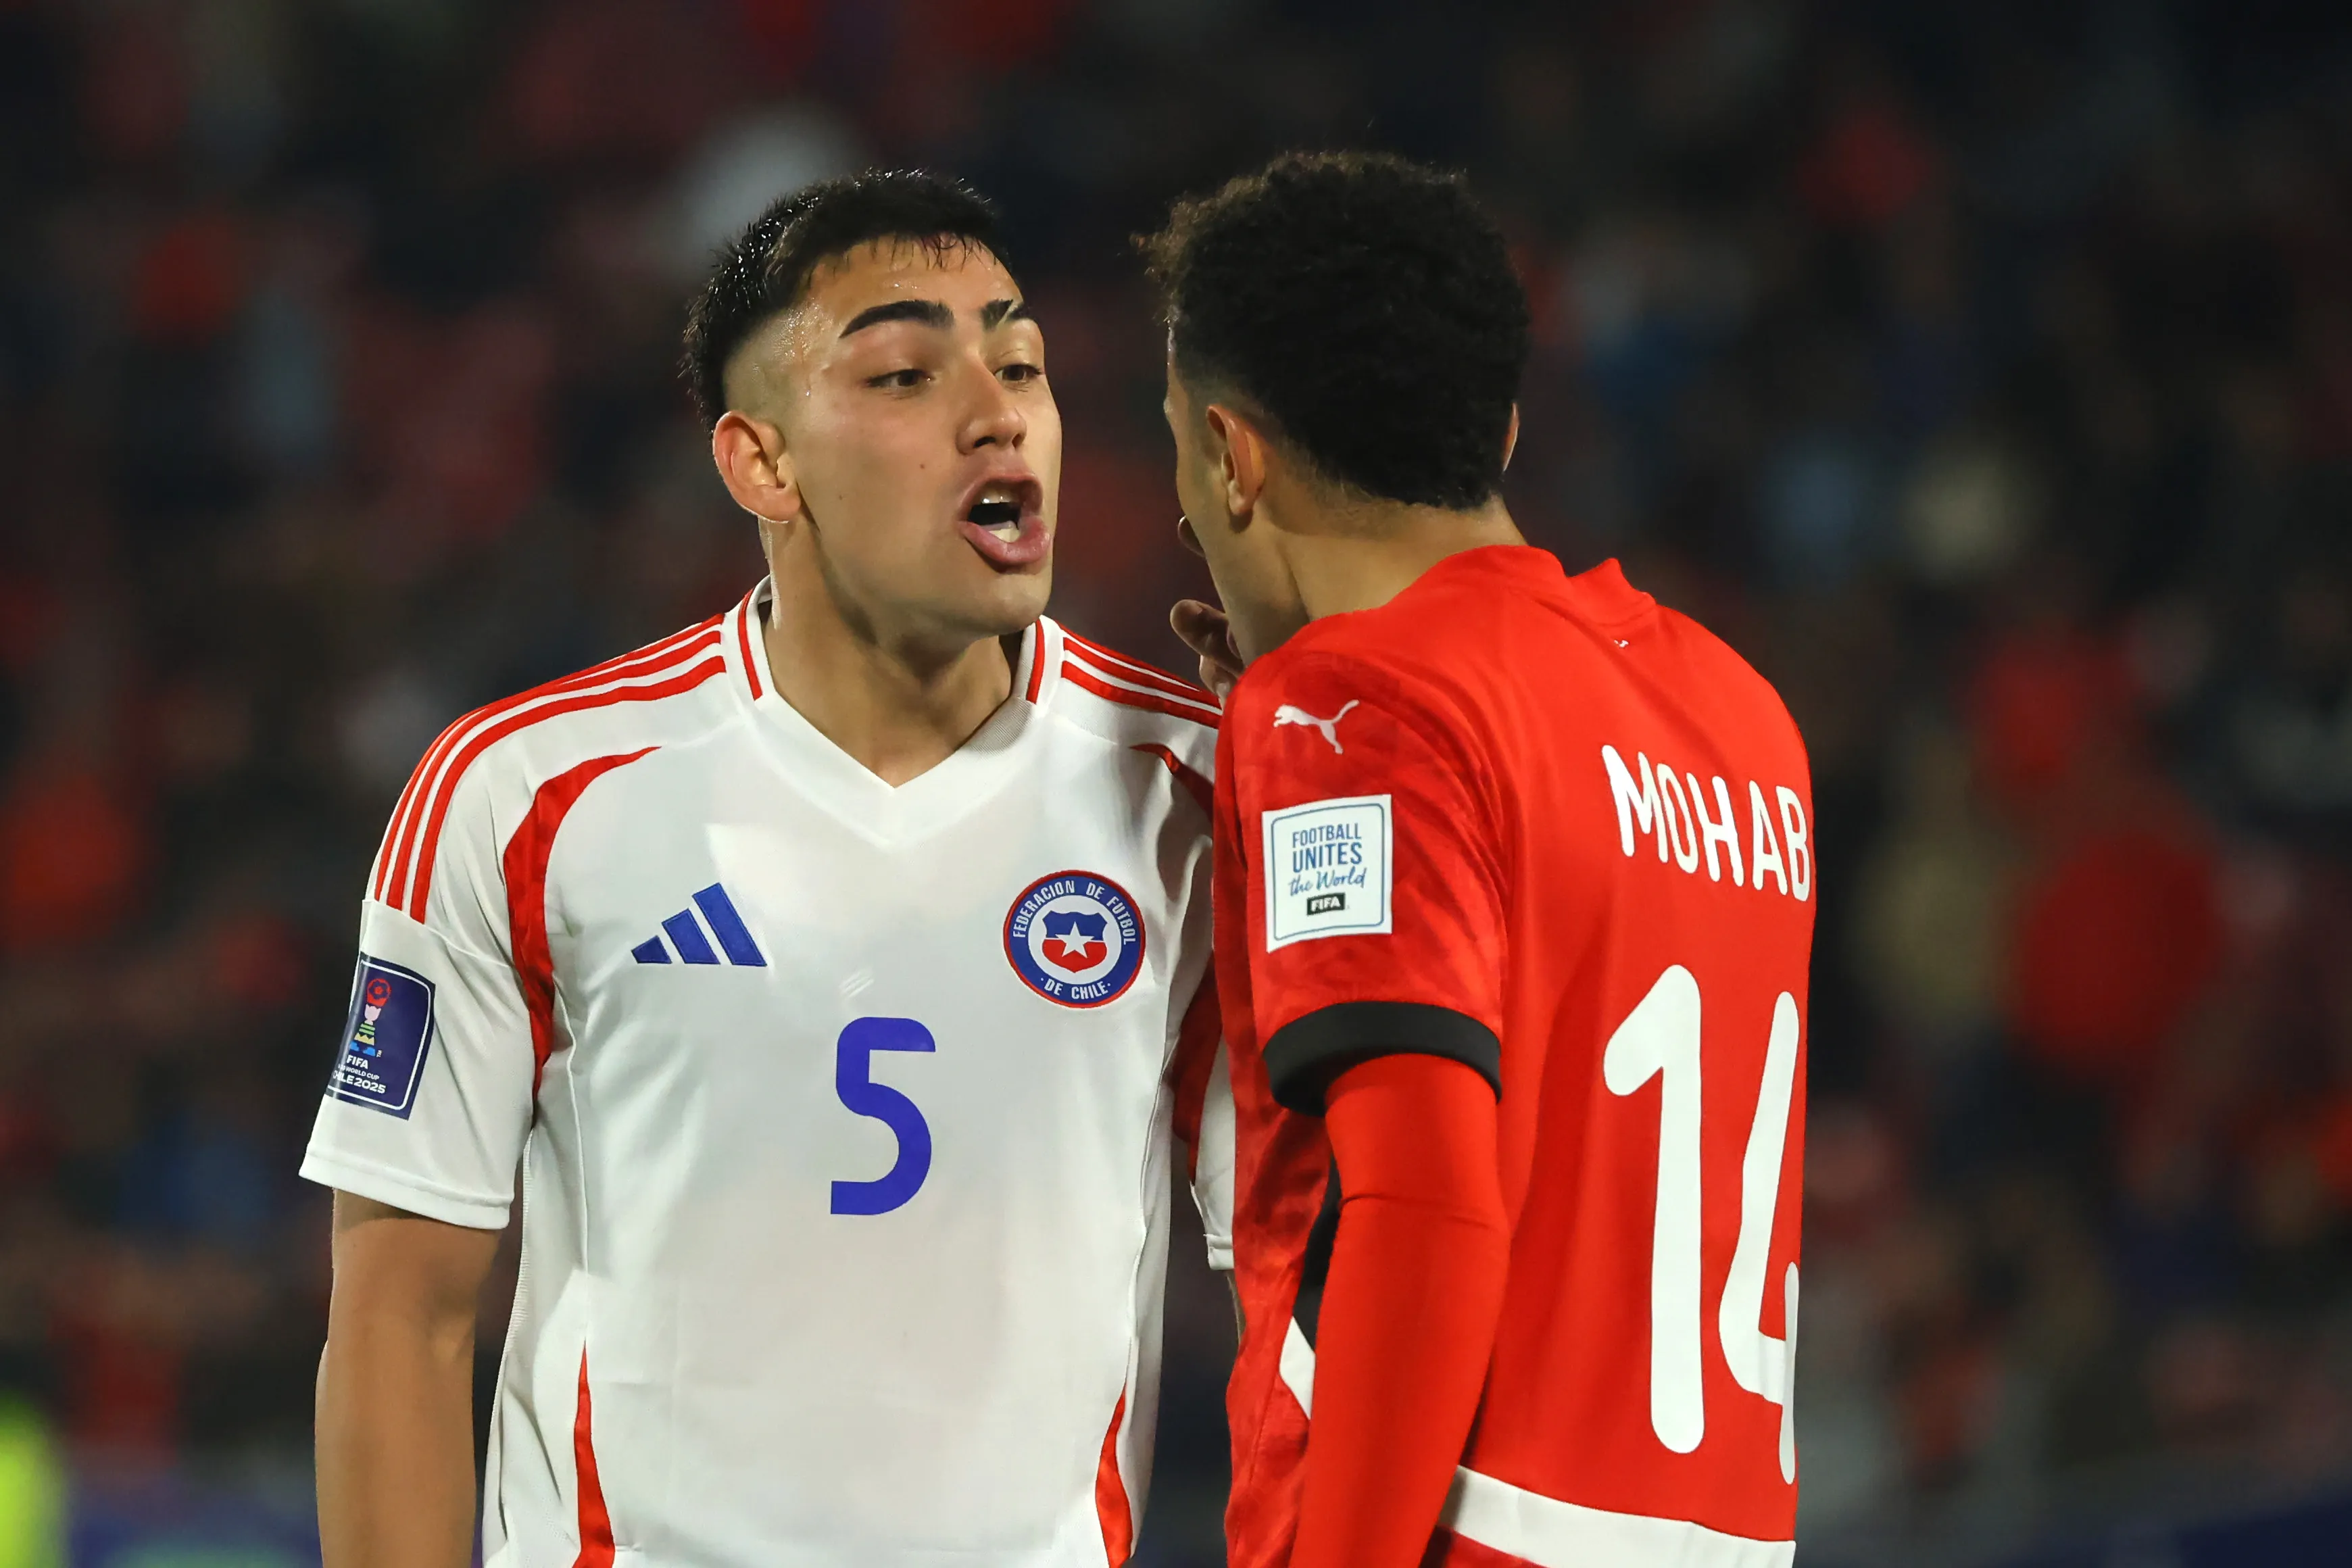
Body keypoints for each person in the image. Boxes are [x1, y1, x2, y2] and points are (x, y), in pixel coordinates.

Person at [306, 171, 1230, 1567]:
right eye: (909, 372)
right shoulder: (527, 795)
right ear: (762, 462)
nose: (999, 410)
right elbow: (400, 1315)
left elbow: (1321, 1288)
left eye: (1021, 360)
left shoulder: (1200, 796)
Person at [1149, 151, 1816, 1568]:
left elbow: (1426, 1204)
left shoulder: (1356, 710)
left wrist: (1323, 710)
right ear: (1502, 428)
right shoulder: (1739, 713)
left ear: (1231, 454)